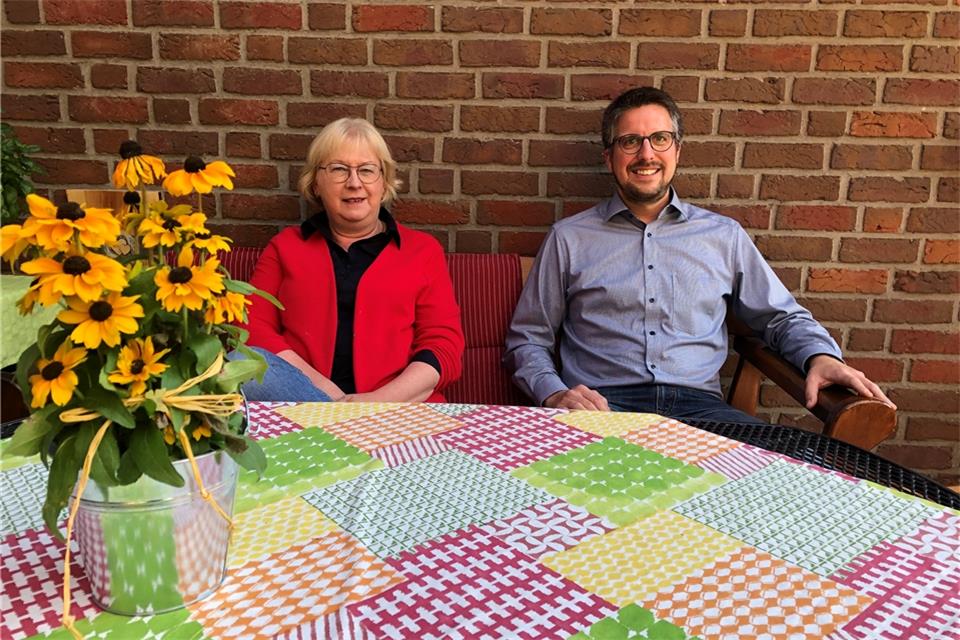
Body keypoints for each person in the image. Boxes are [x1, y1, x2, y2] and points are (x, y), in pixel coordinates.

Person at [504, 87, 894, 421]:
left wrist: (819, 357)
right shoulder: (570, 238)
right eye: (629, 141)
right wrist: (555, 394)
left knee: (780, 482)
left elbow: (780, 317)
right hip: (604, 409)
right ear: (609, 157)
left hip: (702, 411)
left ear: (677, 150)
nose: (646, 154)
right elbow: (527, 340)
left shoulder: (722, 236)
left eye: (659, 138)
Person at [240, 118, 464, 403]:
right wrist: (329, 396)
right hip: (305, 404)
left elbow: (444, 346)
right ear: (316, 183)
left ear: (384, 184)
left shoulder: (422, 251)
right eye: (338, 170)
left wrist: (374, 403)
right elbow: (251, 328)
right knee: (239, 363)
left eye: (367, 170)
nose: (354, 183)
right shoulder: (285, 248)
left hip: (398, 410)